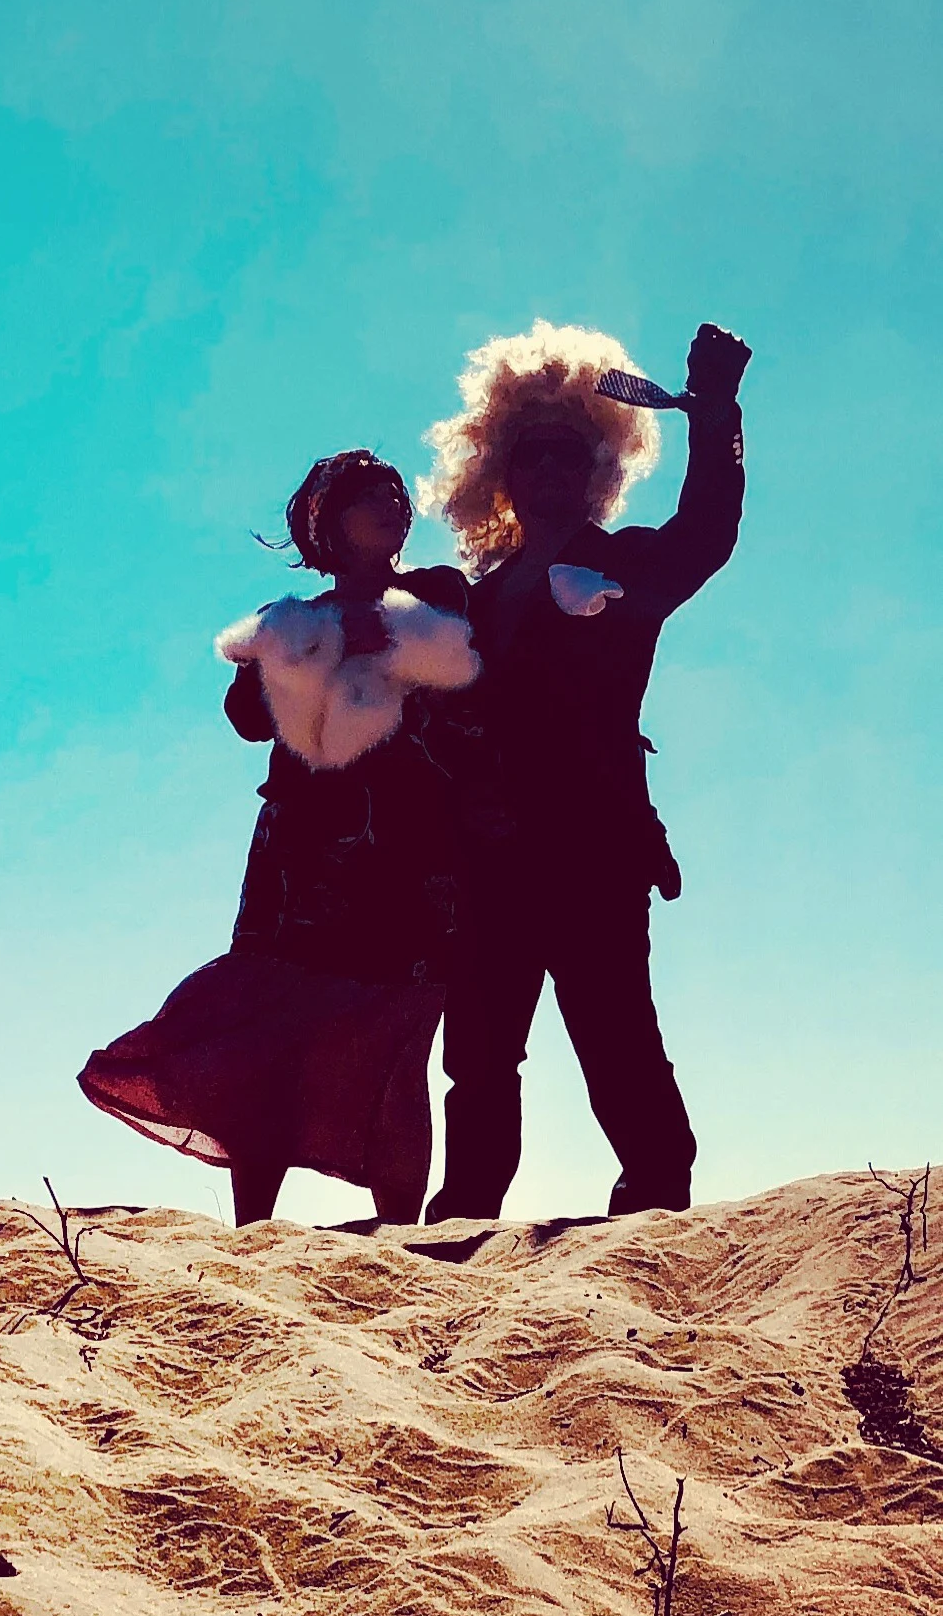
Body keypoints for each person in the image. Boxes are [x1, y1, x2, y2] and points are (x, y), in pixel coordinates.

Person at [79, 451, 483, 1225]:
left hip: (412, 850)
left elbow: (469, 678)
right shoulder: (291, 618)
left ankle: (400, 1233)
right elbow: (245, 719)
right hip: (302, 858)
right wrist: (307, 651)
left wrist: (387, 639)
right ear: (327, 523)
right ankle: (253, 1232)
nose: (394, 505)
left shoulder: (436, 593)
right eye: (372, 496)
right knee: (268, 1038)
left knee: (398, 1039)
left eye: (398, 493)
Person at [420, 320, 751, 1220]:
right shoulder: (473, 602)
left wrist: (715, 416)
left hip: (596, 844)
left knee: (614, 1032)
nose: (552, 473)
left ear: (598, 468)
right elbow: (433, 715)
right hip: (488, 857)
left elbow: (708, 532)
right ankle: (466, 1209)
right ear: (504, 473)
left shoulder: (628, 566)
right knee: (480, 1050)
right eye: (533, 457)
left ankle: (654, 1198)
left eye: (570, 456)